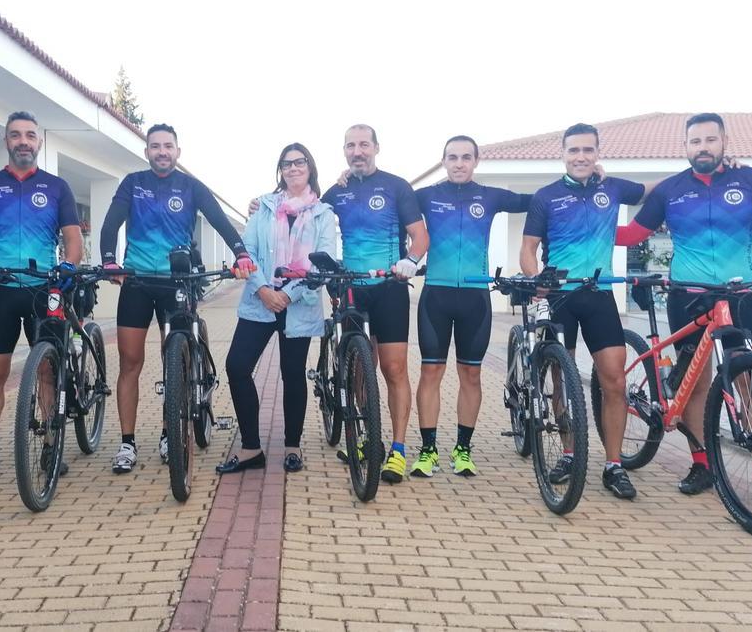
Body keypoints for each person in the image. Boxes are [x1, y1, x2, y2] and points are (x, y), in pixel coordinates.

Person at [616, 112, 752, 499]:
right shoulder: (670, 190)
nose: (702, 147)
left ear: (724, 141)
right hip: (688, 297)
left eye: (709, 140)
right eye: (695, 141)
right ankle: (702, 463)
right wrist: (585, 222)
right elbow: (633, 234)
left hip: (743, 296)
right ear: (684, 146)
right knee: (696, 385)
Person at [100, 123, 255, 474]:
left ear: (178, 151)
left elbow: (220, 222)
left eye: (168, 145)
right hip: (137, 281)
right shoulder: (133, 183)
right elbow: (111, 223)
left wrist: (241, 253)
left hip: (178, 282)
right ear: (147, 152)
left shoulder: (191, 186)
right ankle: (127, 442)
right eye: (155, 146)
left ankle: (171, 434)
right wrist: (110, 260)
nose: (162, 151)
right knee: (129, 361)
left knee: (174, 359)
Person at [520, 123, 649, 500]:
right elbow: (528, 250)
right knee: (562, 379)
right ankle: (570, 453)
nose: (580, 157)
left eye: (587, 150)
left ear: (597, 152)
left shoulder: (614, 188)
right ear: (563, 153)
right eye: (573, 150)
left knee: (614, 381)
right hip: (560, 295)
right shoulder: (546, 197)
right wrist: (535, 281)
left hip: (599, 295)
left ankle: (613, 465)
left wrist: (718, 167)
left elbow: (661, 191)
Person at [0, 111, 84, 484]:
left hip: (44, 288)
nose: (23, 141)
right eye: (16, 135)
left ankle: (49, 445)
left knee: (47, 369)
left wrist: (70, 265)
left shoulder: (57, 186)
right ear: (6, 141)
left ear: (39, 142)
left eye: (30, 134)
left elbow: (72, 237)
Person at [411, 136, 531, 478]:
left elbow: (538, 201)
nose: (459, 163)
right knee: (430, 372)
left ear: (476, 161)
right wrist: (344, 178)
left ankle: (463, 450)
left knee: (472, 374)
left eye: (466, 157)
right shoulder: (427, 196)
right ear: (444, 160)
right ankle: (429, 450)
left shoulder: (490, 196)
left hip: (476, 298)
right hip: (436, 295)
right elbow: (390, 198)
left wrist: (592, 177)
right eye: (452, 157)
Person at [216, 143, 337, 474]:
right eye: (286, 164)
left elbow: (323, 262)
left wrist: (289, 294)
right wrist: (265, 289)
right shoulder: (264, 208)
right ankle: (251, 448)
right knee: (237, 366)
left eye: (299, 162)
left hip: (299, 303)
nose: (293, 168)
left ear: (310, 167)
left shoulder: (323, 214)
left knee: (293, 374)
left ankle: (292, 445)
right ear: (280, 170)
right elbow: (248, 251)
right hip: (260, 300)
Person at [324, 124, 429, 484]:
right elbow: (306, 219)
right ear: (344, 151)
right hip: (351, 289)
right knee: (356, 368)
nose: (358, 151)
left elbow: (420, 235)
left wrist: (410, 261)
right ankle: (367, 436)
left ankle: (397, 450)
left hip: (389, 287)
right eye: (351, 145)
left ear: (376, 148)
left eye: (363, 144)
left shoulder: (396, 186)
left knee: (394, 369)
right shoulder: (336, 191)